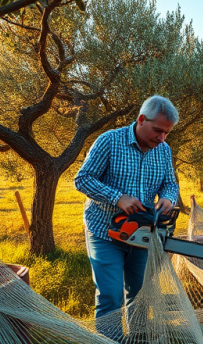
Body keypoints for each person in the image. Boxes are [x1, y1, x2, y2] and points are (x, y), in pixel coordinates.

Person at [74, 96, 179, 326]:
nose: (162, 138)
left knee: (140, 295)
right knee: (111, 296)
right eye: (158, 131)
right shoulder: (109, 141)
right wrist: (117, 197)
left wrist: (168, 199)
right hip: (105, 231)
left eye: (166, 133)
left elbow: (170, 184)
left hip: (143, 233)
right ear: (141, 119)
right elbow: (82, 179)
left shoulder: (163, 151)